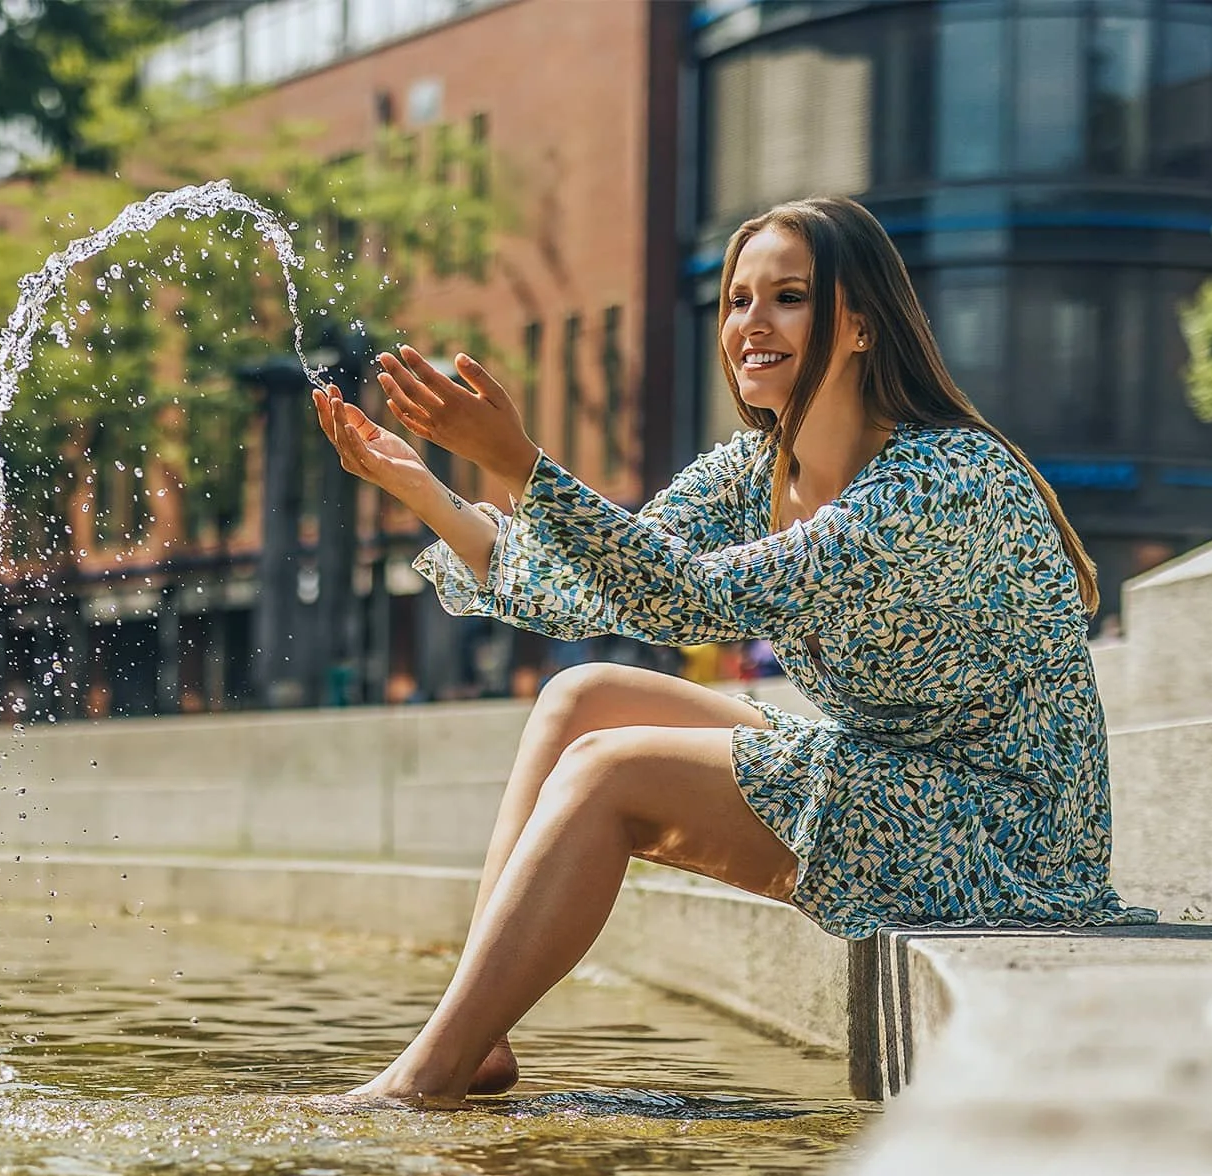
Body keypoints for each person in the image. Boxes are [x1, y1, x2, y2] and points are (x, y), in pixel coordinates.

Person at [313, 195, 1152, 1102]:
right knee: (584, 698)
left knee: (607, 770)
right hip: (887, 766)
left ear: (862, 324)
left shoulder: (941, 479)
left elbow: (697, 598)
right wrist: (430, 491)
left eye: (789, 297)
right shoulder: (756, 469)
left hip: (1003, 830)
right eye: (739, 300)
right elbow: (597, 586)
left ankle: (424, 1076)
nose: (754, 323)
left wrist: (521, 463)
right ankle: (476, 1038)